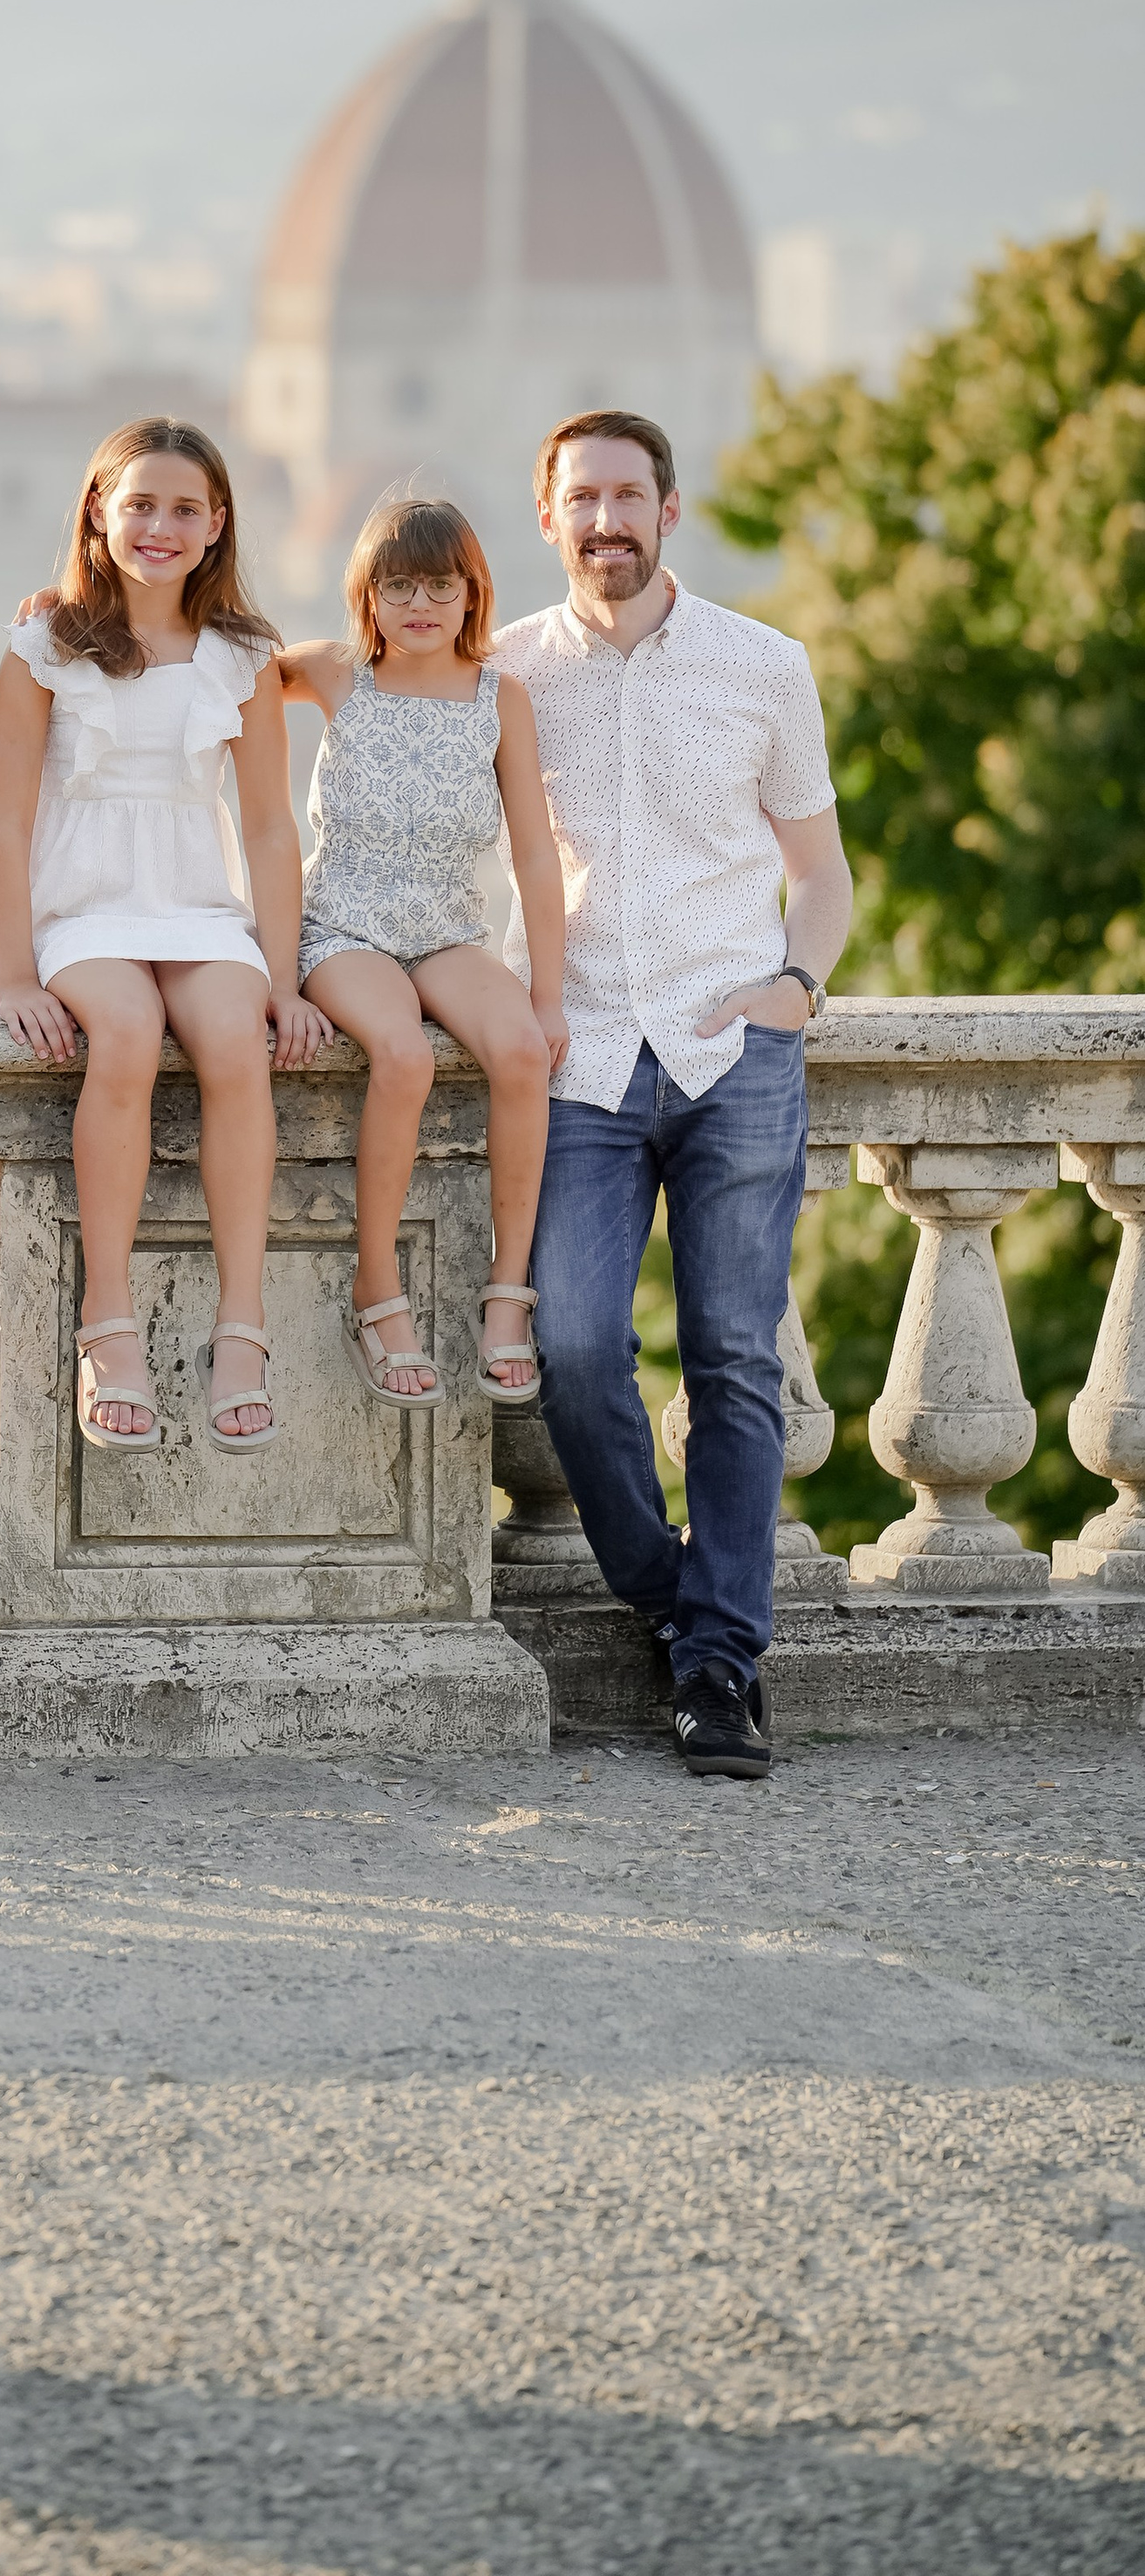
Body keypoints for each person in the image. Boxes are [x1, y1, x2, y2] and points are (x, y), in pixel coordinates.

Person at [496, 409, 852, 1782]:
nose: (606, 521)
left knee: (735, 1359)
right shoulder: (507, 674)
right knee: (576, 1353)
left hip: (730, 1051)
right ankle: (671, 1593)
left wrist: (798, 988)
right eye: (581, 498)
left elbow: (820, 873)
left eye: (628, 495)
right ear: (549, 518)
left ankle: (721, 1668)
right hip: (578, 1058)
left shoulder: (766, 667)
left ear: (670, 509)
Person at [0, 416, 328, 1450]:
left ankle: (241, 1321)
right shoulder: (41, 645)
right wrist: (13, 979)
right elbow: (2, 822)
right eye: (140, 504)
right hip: (82, 908)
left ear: (217, 525)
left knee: (234, 1042)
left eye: (184, 509)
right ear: (98, 510)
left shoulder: (242, 657)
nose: (160, 526)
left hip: (197, 903)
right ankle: (109, 1318)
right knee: (124, 1033)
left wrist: (286, 974)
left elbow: (269, 827)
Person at [279, 492, 567, 1404]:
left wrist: (547, 993)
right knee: (400, 1053)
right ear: (367, 594)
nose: (420, 605)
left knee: (521, 1050)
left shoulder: (498, 697)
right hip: (344, 926)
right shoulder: (334, 673)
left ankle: (507, 1295)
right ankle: (377, 1288)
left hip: (445, 928)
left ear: (470, 594)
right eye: (398, 585)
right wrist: (67, 613)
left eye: (440, 585)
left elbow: (533, 853)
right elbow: (215, 659)